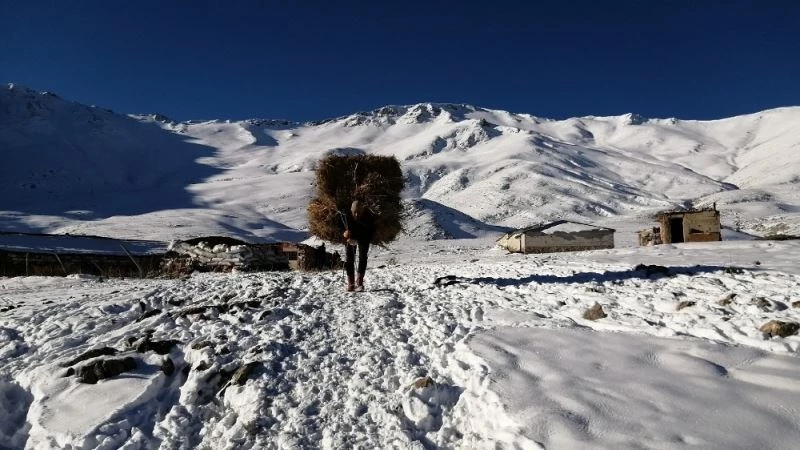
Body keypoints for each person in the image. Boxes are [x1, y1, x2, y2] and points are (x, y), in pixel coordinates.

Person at [343, 199, 375, 292]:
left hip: (364, 238)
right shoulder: (346, 216)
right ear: (351, 211)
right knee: (349, 258)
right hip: (350, 238)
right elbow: (339, 227)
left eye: (359, 212)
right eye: (355, 212)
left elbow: (370, 232)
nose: (356, 214)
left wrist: (357, 240)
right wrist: (345, 234)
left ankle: (360, 283)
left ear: (363, 211)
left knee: (362, 257)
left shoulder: (368, 217)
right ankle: (351, 283)